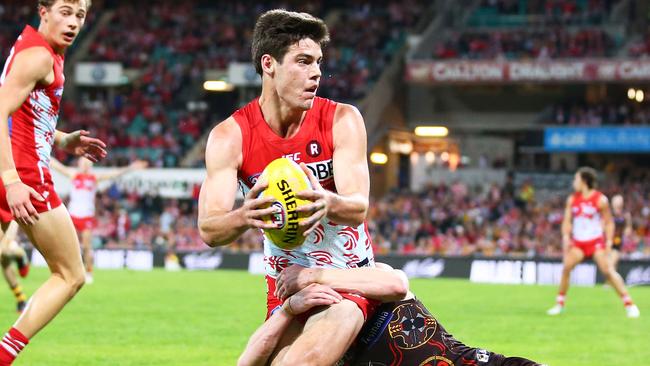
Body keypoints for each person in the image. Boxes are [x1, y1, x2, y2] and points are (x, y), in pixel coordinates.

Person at [198, 9, 375, 365]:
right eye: (303, 61)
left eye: (319, 63)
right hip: (285, 285)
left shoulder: (342, 119)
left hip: (347, 275)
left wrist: (326, 202)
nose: (316, 73)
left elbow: (359, 207)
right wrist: (245, 215)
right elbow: (209, 229)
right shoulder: (230, 137)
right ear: (269, 64)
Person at [0, 0, 107, 364]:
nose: (74, 22)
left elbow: (24, 113)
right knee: (69, 274)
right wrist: (13, 180)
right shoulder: (40, 56)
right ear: (43, 10)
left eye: (80, 15)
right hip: (25, 175)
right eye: (65, 11)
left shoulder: (39, 48)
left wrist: (62, 140)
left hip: (16, 166)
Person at [239, 264, 544, 366]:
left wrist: (316, 275)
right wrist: (288, 310)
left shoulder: (364, 279)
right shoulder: (302, 326)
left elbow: (396, 282)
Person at [546, 168, 639, 318]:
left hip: (595, 243)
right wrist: (565, 236)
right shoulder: (572, 199)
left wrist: (608, 241)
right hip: (578, 243)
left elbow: (609, 223)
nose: (574, 182)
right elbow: (567, 220)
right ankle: (559, 304)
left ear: (584, 181)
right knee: (566, 267)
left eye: (576, 179)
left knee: (608, 271)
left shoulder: (599, 199)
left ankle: (630, 304)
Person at [50, 157, 147, 283]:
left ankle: (89, 271)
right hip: (73, 215)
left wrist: (131, 168)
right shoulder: (74, 175)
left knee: (86, 246)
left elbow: (114, 174)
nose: (84, 165)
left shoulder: (94, 178)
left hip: (87, 217)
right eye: (82, 163)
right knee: (67, 244)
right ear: (79, 164)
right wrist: (44, 153)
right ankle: (67, 271)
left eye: (87, 163)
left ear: (90, 165)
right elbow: (58, 167)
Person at [0, 221, 29, 313]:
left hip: (8, 215)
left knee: (3, 250)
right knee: (4, 261)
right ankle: (21, 299)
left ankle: (21, 255)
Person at [609, 194, 631, 273]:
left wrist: (626, 232)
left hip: (618, 241)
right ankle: (610, 281)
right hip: (608, 240)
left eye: (620, 201)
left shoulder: (625, 214)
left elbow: (628, 227)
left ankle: (610, 281)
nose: (618, 203)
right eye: (616, 201)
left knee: (613, 261)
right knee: (611, 263)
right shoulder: (609, 213)